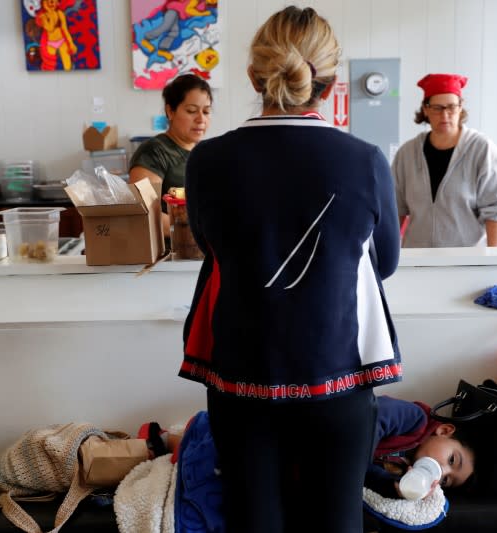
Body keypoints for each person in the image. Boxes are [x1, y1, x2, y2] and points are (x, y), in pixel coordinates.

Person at [178, 6, 402, 533]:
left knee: (254, 520)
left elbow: (211, 247)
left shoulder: (207, 160)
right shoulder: (365, 160)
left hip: (240, 372)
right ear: (328, 79)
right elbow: (384, 263)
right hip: (339, 371)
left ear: (255, 76)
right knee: (338, 521)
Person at [392, 73, 497, 248]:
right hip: (417, 257)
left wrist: (493, 260)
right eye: (437, 108)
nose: (445, 115)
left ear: (461, 107)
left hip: (467, 258)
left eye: (451, 107)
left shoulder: (481, 149)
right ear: (425, 109)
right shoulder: (407, 153)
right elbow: (395, 208)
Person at [128, 73, 212, 231]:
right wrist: (200, 232)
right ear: (170, 111)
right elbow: (143, 213)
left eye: (206, 112)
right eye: (192, 110)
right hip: (170, 252)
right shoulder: (154, 152)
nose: (201, 119)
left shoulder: (205, 152)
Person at [366, 395, 476, 499]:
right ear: (444, 431)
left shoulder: (404, 469)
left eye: (444, 481)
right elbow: (371, 418)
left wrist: (394, 487)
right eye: (451, 460)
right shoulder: (415, 417)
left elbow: (367, 475)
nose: (442, 472)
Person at [35, 0, 77, 71]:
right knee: (49, 65)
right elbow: (50, 28)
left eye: (54, 1)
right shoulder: (42, 17)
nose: (51, 3)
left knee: (67, 65)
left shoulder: (60, 13)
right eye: (47, 1)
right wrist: (48, 15)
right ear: (43, 3)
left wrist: (71, 43)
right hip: (50, 43)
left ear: (57, 3)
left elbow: (65, 30)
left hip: (62, 41)